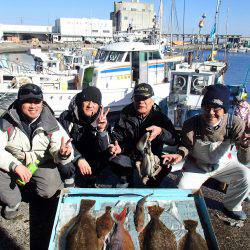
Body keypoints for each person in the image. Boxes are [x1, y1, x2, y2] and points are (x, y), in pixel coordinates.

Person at [162, 84, 250, 220]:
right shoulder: (191, 124)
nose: (211, 113)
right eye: (207, 108)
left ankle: (232, 206)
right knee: (180, 189)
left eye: (217, 109)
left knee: (246, 175)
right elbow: (186, 146)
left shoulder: (236, 124)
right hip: (198, 165)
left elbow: (244, 160)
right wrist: (179, 154)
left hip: (224, 164)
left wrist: (245, 144)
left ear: (225, 110)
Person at [0, 83, 74, 220]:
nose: (33, 106)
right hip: (14, 162)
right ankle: (13, 201)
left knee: (49, 191)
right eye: (28, 101)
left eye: (37, 101)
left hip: (38, 163)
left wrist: (63, 154)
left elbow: (60, 145)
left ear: (42, 102)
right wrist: (16, 166)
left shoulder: (52, 122)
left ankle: (27, 185)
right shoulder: (6, 121)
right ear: (19, 102)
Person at [109, 83, 179, 187]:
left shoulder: (160, 117)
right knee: (115, 160)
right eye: (137, 98)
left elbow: (174, 140)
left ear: (152, 100)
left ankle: (152, 184)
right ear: (133, 99)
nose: (141, 102)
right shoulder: (125, 115)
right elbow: (117, 138)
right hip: (130, 154)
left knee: (165, 164)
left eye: (145, 98)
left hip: (152, 156)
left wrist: (160, 132)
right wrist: (116, 147)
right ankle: (126, 182)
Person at [58, 86, 111, 187]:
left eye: (94, 102)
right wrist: (78, 158)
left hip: (93, 160)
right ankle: (70, 182)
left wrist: (101, 130)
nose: (90, 105)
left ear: (99, 105)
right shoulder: (66, 117)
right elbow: (63, 142)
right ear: (80, 101)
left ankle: (94, 179)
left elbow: (104, 150)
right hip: (74, 159)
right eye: (87, 101)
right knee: (64, 159)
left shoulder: (102, 119)